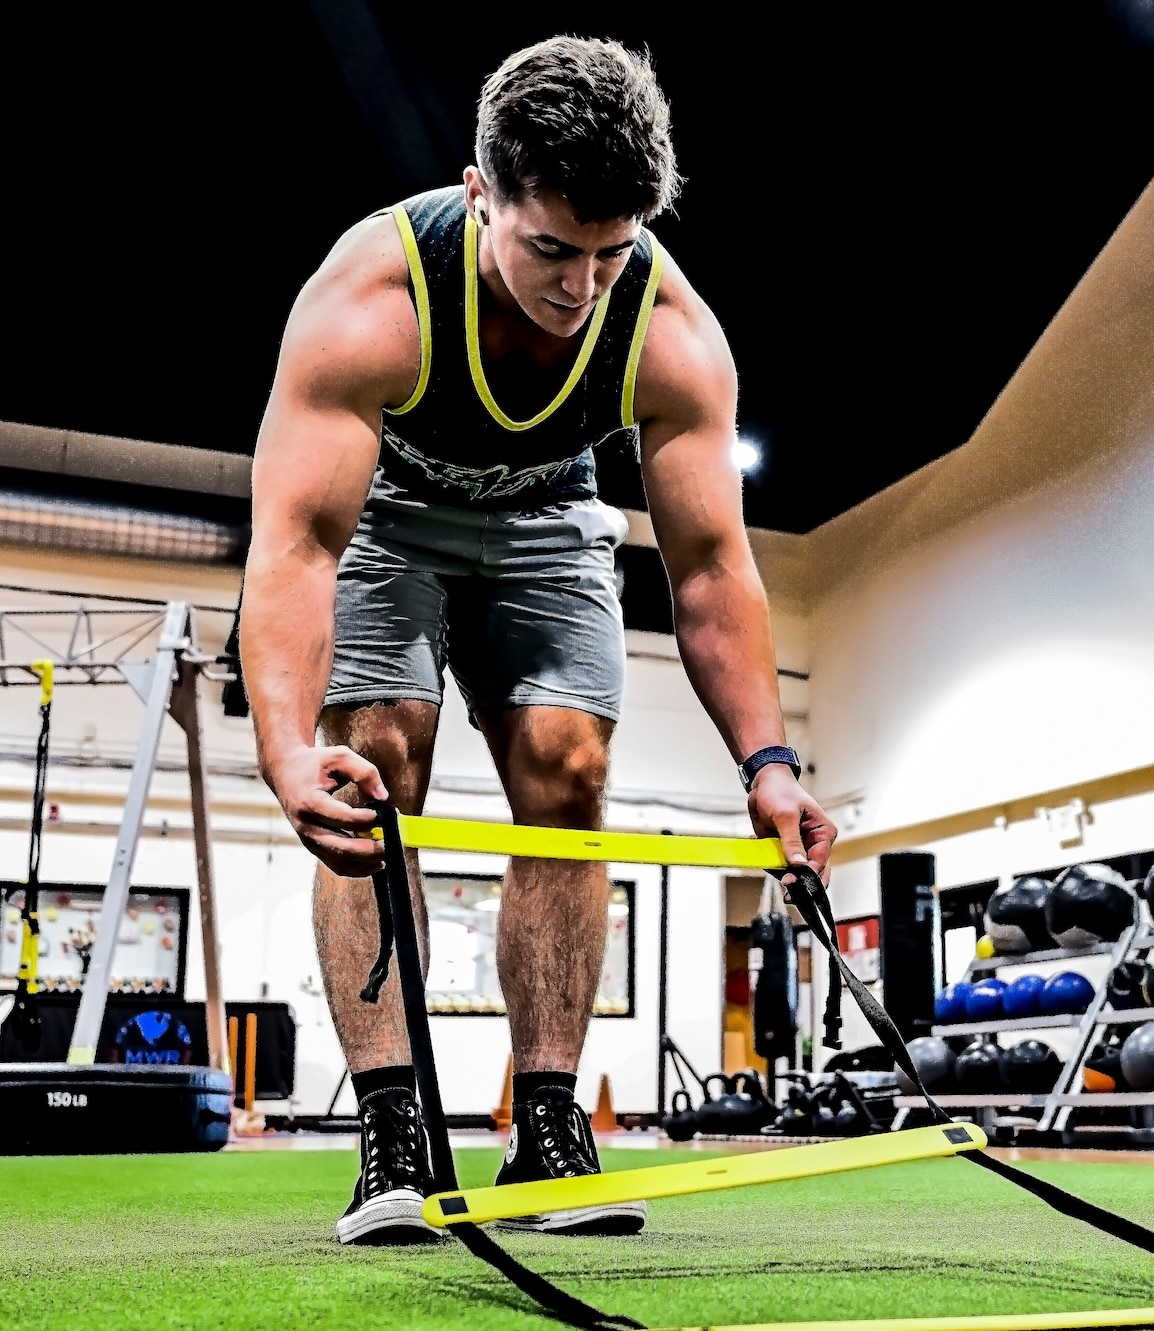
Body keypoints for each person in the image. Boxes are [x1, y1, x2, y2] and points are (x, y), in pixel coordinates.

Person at [243, 36, 835, 1244]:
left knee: (569, 769)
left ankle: (549, 1124)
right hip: (389, 513)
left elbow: (712, 564)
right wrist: (284, 754)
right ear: (480, 195)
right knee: (375, 760)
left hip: (551, 511)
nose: (581, 288)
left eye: (612, 255)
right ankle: (393, 1125)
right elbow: (298, 545)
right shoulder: (373, 300)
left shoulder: (666, 331)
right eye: (551, 250)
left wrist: (769, 765)